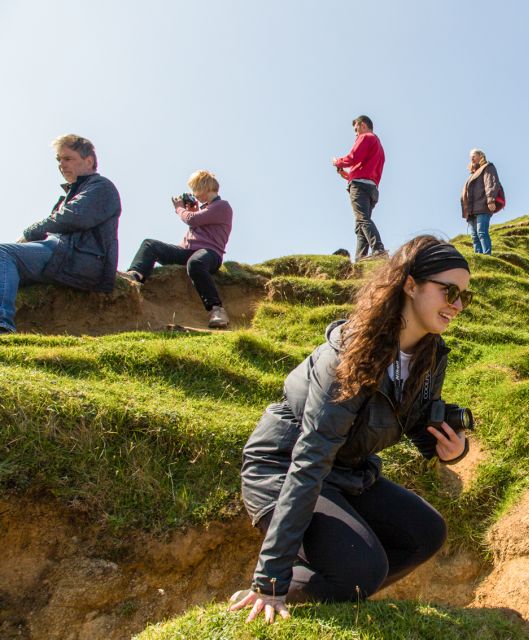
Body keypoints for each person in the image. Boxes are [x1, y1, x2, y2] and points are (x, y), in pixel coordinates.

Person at [229, 236, 473, 624]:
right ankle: (276, 589)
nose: (458, 305)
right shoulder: (346, 355)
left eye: (465, 297)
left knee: (426, 533)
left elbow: (415, 419)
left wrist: (450, 448)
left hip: (346, 471)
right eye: (450, 291)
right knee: (362, 568)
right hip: (285, 467)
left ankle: (341, 590)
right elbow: (309, 460)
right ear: (410, 284)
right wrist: (270, 578)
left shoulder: (429, 354)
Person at [0, 134, 121, 334]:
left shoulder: (101, 187)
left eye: (67, 158)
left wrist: (29, 232)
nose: (61, 165)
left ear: (89, 160)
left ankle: (3, 325)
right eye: (59, 160)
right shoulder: (72, 193)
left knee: (4, 253)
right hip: (63, 254)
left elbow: (73, 217)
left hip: (81, 258)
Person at [121, 170, 233, 328]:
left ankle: (217, 309)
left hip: (210, 253)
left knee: (196, 263)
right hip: (188, 251)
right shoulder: (204, 210)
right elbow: (195, 221)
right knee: (150, 244)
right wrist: (193, 211)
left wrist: (180, 208)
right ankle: (135, 275)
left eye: (196, 189)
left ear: (205, 186)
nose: (195, 194)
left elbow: (192, 220)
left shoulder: (222, 206)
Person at [332, 115, 387, 262]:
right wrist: (347, 175)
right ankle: (360, 258)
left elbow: (353, 157)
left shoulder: (366, 137)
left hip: (360, 187)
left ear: (362, 125)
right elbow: (365, 169)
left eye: (356, 129)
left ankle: (378, 250)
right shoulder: (379, 147)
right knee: (361, 224)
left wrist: (338, 162)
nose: (356, 133)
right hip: (372, 188)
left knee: (362, 220)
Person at [460, 149, 503, 255]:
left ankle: (487, 255)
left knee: (481, 232)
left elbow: (491, 183)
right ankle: (478, 257)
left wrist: (490, 199)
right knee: (474, 236)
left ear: (481, 156)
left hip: (483, 206)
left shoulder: (487, 167)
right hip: (471, 210)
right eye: (470, 156)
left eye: (474, 155)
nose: (471, 158)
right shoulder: (472, 175)